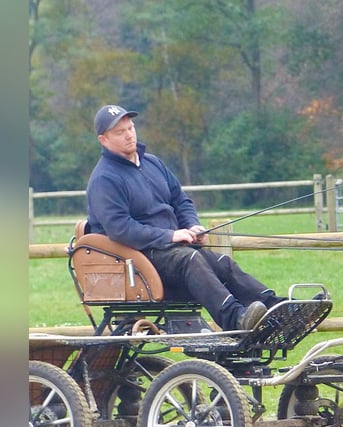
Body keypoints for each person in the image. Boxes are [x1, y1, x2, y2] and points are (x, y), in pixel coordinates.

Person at [86, 104, 283, 331]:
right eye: (120, 132)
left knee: (221, 263)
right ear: (104, 140)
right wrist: (171, 235)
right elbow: (120, 229)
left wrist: (192, 225)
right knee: (191, 260)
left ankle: (276, 308)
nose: (129, 135)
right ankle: (236, 318)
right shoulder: (104, 179)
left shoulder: (153, 163)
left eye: (130, 127)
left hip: (169, 251)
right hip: (137, 258)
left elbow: (180, 200)